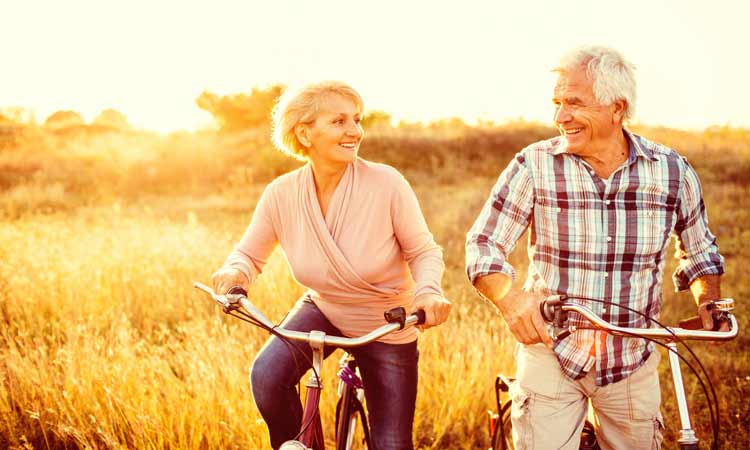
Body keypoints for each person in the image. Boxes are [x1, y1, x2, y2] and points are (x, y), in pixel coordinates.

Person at [465, 46, 725, 450]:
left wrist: (709, 299)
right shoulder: (533, 164)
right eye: (557, 103)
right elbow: (484, 244)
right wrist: (511, 300)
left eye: (574, 103)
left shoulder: (672, 171)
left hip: (632, 358)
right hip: (552, 351)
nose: (560, 116)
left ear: (616, 108)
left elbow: (700, 250)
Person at [211, 81, 451, 450]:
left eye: (357, 119)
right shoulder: (281, 194)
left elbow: (423, 251)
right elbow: (248, 255)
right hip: (323, 308)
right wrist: (234, 273)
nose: (355, 131)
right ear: (304, 132)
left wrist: (428, 292)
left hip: (388, 321)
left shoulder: (387, 183)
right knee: (267, 375)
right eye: (339, 121)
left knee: (391, 444)